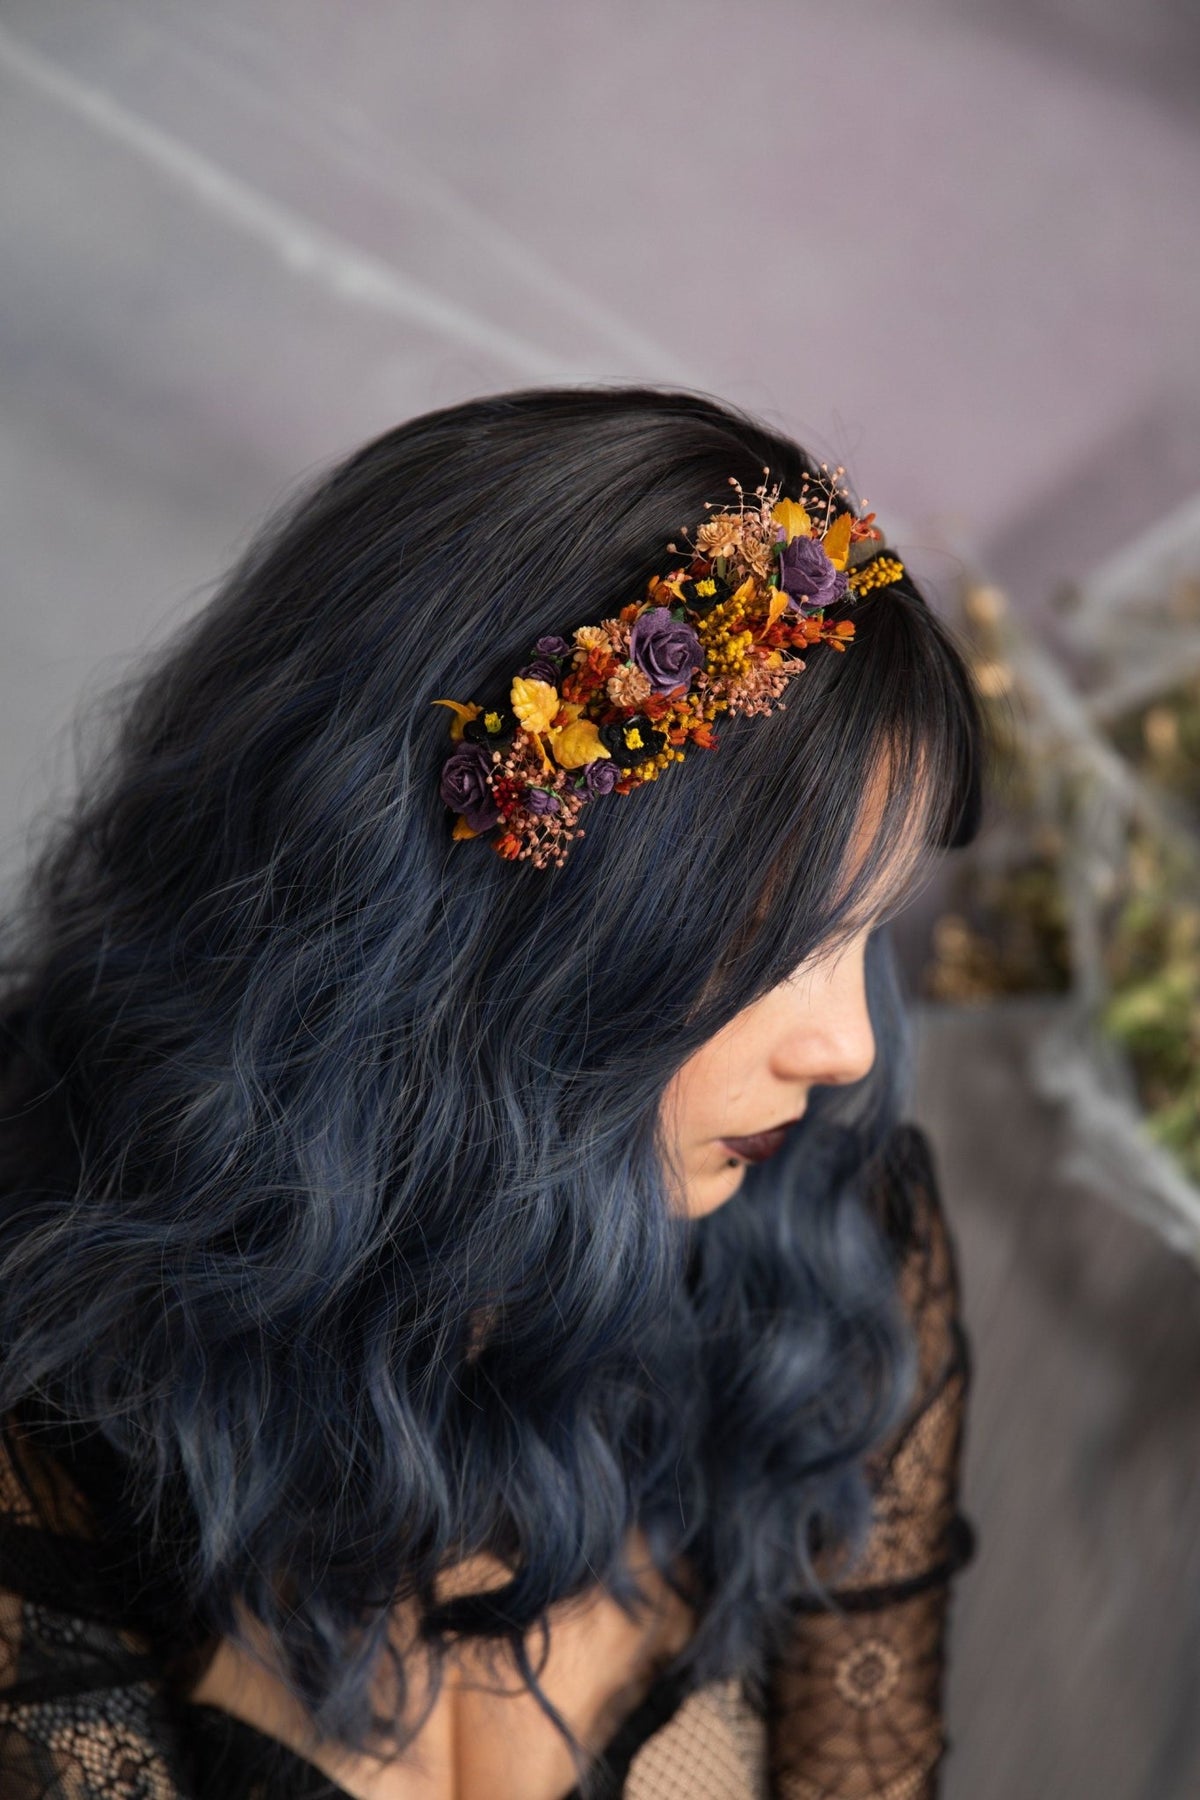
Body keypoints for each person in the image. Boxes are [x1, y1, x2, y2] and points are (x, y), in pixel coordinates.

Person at [0, 384, 984, 1799]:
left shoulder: (830, 1262)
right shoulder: (56, 1375)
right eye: (771, 947)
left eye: (865, 935)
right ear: (465, 940)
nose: (847, 1051)